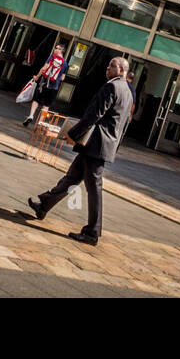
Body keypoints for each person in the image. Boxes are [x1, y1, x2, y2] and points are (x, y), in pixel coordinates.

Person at [27, 56, 133, 246]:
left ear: (121, 70)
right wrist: (114, 148)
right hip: (100, 146)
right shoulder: (128, 91)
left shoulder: (112, 86)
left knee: (94, 189)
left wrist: (72, 134)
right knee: (72, 178)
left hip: (96, 146)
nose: (107, 68)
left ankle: (92, 232)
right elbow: (123, 126)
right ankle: (44, 205)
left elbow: (94, 115)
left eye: (111, 66)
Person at [22, 43, 68, 128]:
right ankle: (40, 123)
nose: (55, 49)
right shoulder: (65, 63)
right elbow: (62, 78)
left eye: (57, 48)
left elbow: (44, 68)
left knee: (36, 100)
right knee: (46, 105)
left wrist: (37, 76)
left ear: (62, 51)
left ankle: (31, 116)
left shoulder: (52, 57)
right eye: (55, 48)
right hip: (54, 87)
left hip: (43, 84)